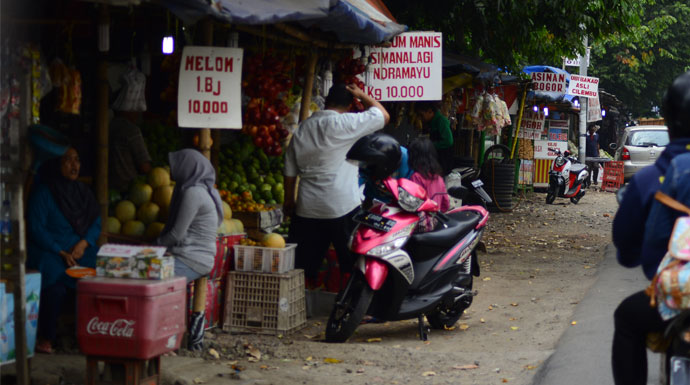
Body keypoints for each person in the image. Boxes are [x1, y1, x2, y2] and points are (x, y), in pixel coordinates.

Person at [611, 71, 690, 385]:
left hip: (676, 298)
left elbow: (629, 250)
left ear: (668, 120)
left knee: (626, 319)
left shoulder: (648, 181)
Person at [284, 83, 390, 285]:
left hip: (308, 208)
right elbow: (383, 115)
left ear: (326, 102)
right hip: (342, 206)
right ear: (350, 105)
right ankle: (351, 305)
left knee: (302, 267)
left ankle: (302, 305)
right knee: (351, 262)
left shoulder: (303, 128)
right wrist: (361, 95)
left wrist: (288, 201)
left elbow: (289, 171)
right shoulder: (347, 122)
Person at [27, 147, 101, 354]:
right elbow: (36, 227)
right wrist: (60, 251)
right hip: (50, 251)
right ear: (56, 164)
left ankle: (88, 335)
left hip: (78, 250)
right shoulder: (44, 193)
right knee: (55, 284)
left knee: (98, 272)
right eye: (67, 160)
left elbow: (95, 221)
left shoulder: (83, 192)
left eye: (77, 160)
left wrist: (84, 243)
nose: (74, 165)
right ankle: (46, 338)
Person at [155, 149, 223, 281]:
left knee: (147, 277)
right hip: (190, 257)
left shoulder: (193, 193)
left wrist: (153, 246)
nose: (171, 170)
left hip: (192, 260)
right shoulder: (200, 190)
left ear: (186, 167)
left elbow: (176, 234)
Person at [109, 109, 152, 191]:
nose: (138, 113)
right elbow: (145, 167)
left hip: (110, 188)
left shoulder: (109, 125)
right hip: (128, 189)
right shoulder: (131, 130)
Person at [408, 137, 450, 213]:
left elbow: (412, 204)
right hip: (436, 220)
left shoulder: (416, 177)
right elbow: (446, 204)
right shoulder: (439, 178)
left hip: (421, 222)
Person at [416, 102, 453, 174]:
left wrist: (430, 145)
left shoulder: (441, 121)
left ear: (430, 111)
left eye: (421, 115)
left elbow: (448, 141)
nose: (421, 118)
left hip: (443, 161)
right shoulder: (431, 122)